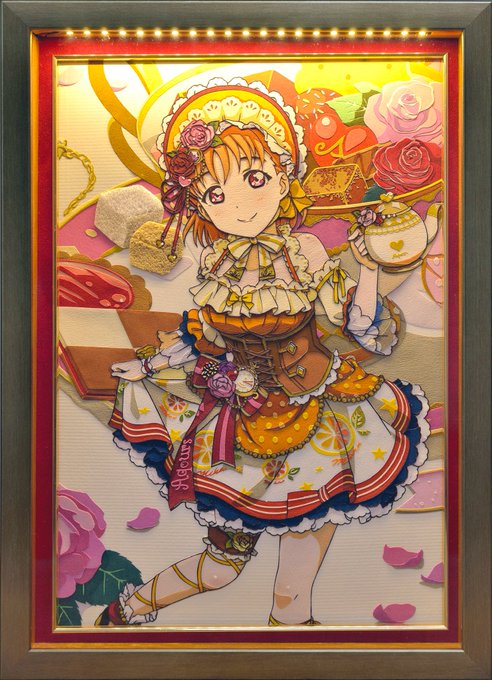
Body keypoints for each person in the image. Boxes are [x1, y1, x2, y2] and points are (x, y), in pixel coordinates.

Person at [96, 79, 429, 627]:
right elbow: (203, 334)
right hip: (239, 430)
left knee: (293, 585)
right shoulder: (215, 264)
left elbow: (357, 325)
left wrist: (369, 268)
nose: (241, 206)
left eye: (256, 179)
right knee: (221, 568)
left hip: (320, 419)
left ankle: (292, 638)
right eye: (216, 195)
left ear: (282, 177)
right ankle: (128, 610)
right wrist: (151, 366)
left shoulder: (305, 252)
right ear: (199, 204)